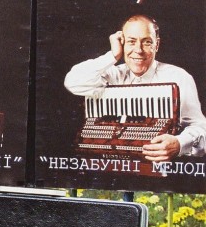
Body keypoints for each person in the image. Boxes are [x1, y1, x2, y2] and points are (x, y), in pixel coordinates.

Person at [64, 14, 206, 162]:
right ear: (122, 43)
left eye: (146, 42)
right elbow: (72, 82)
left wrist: (179, 144)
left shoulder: (178, 77)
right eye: (131, 41)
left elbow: (201, 128)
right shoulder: (111, 74)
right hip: (109, 166)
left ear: (156, 45)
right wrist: (112, 56)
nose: (138, 50)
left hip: (160, 170)